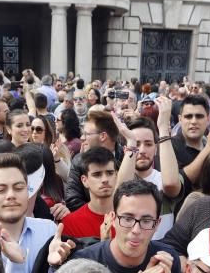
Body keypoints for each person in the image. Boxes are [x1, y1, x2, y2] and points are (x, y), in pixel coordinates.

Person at [73, 179, 181, 273]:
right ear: (113, 219)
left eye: (146, 221)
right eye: (127, 219)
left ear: (157, 224)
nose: (136, 230)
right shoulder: (83, 263)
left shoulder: (167, 262)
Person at [0, 153, 73, 273]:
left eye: (18, 188)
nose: (11, 195)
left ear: (28, 191)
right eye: (1, 190)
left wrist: (55, 267)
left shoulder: (48, 231)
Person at [115, 102, 184, 240]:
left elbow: (170, 184)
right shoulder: (116, 178)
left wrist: (163, 128)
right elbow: (122, 191)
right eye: (136, 144)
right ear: (126, 149)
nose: (141, 150)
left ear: (156, 147)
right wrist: (131, 144)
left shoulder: (164, 178)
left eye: (148, 144)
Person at [64, 110, 123, 211]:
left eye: (87, 134)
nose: (82, 138)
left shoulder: (127, 158)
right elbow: (72, 199)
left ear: (103, 136)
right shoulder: (79, 160)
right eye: (97, 174)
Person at [61, 146, 117, 239]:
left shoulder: (131, 218)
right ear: (84, 180)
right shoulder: (70, 223)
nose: (105, 179)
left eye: (110, 173)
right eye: (97, 175)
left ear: (116, 175)